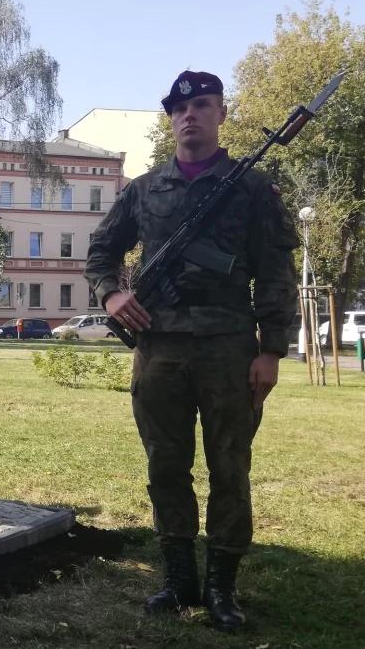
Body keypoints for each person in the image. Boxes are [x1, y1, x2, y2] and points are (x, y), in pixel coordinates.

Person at [85, 71, 298, 633]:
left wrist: (271, 350)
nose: (190, 115)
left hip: (230, 350)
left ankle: (221, 589)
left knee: (230, 466)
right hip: (158, 351)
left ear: (222, 114)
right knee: (165, 465)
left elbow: (276, 273)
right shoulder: (145, 189)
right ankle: (178, 580)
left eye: (203, 105)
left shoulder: (251, 189)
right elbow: (101, 250)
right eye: (180, 108)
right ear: (171, 119)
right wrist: (111, 294)